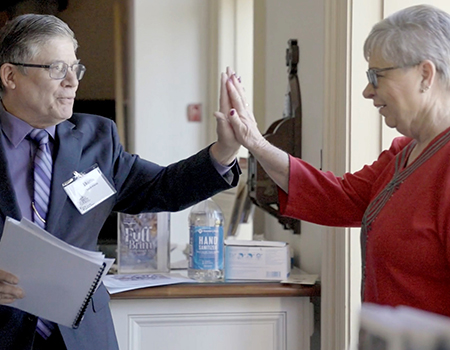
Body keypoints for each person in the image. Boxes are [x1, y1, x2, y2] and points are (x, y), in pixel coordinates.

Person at [0, 14, 241, 350]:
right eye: (57, 68)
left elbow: (162, 187)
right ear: (10, 75)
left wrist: (224, 150)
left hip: (82, 337)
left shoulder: (97, 140)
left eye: (76, 68)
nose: (72, 81)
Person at [218, 4, 450, 318]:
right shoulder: (402, 153)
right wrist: (255, 141)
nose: (368, 91)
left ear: (425, 74)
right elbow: (336, 197)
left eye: (377, 76)